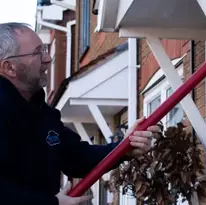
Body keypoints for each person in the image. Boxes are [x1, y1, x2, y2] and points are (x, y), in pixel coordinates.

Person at [0, 22, 161, 205]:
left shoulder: (43, 115)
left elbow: (77, 158)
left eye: (45, 50)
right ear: (9, 67)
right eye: (38, 52)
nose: (47, 59)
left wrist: (124, 147)